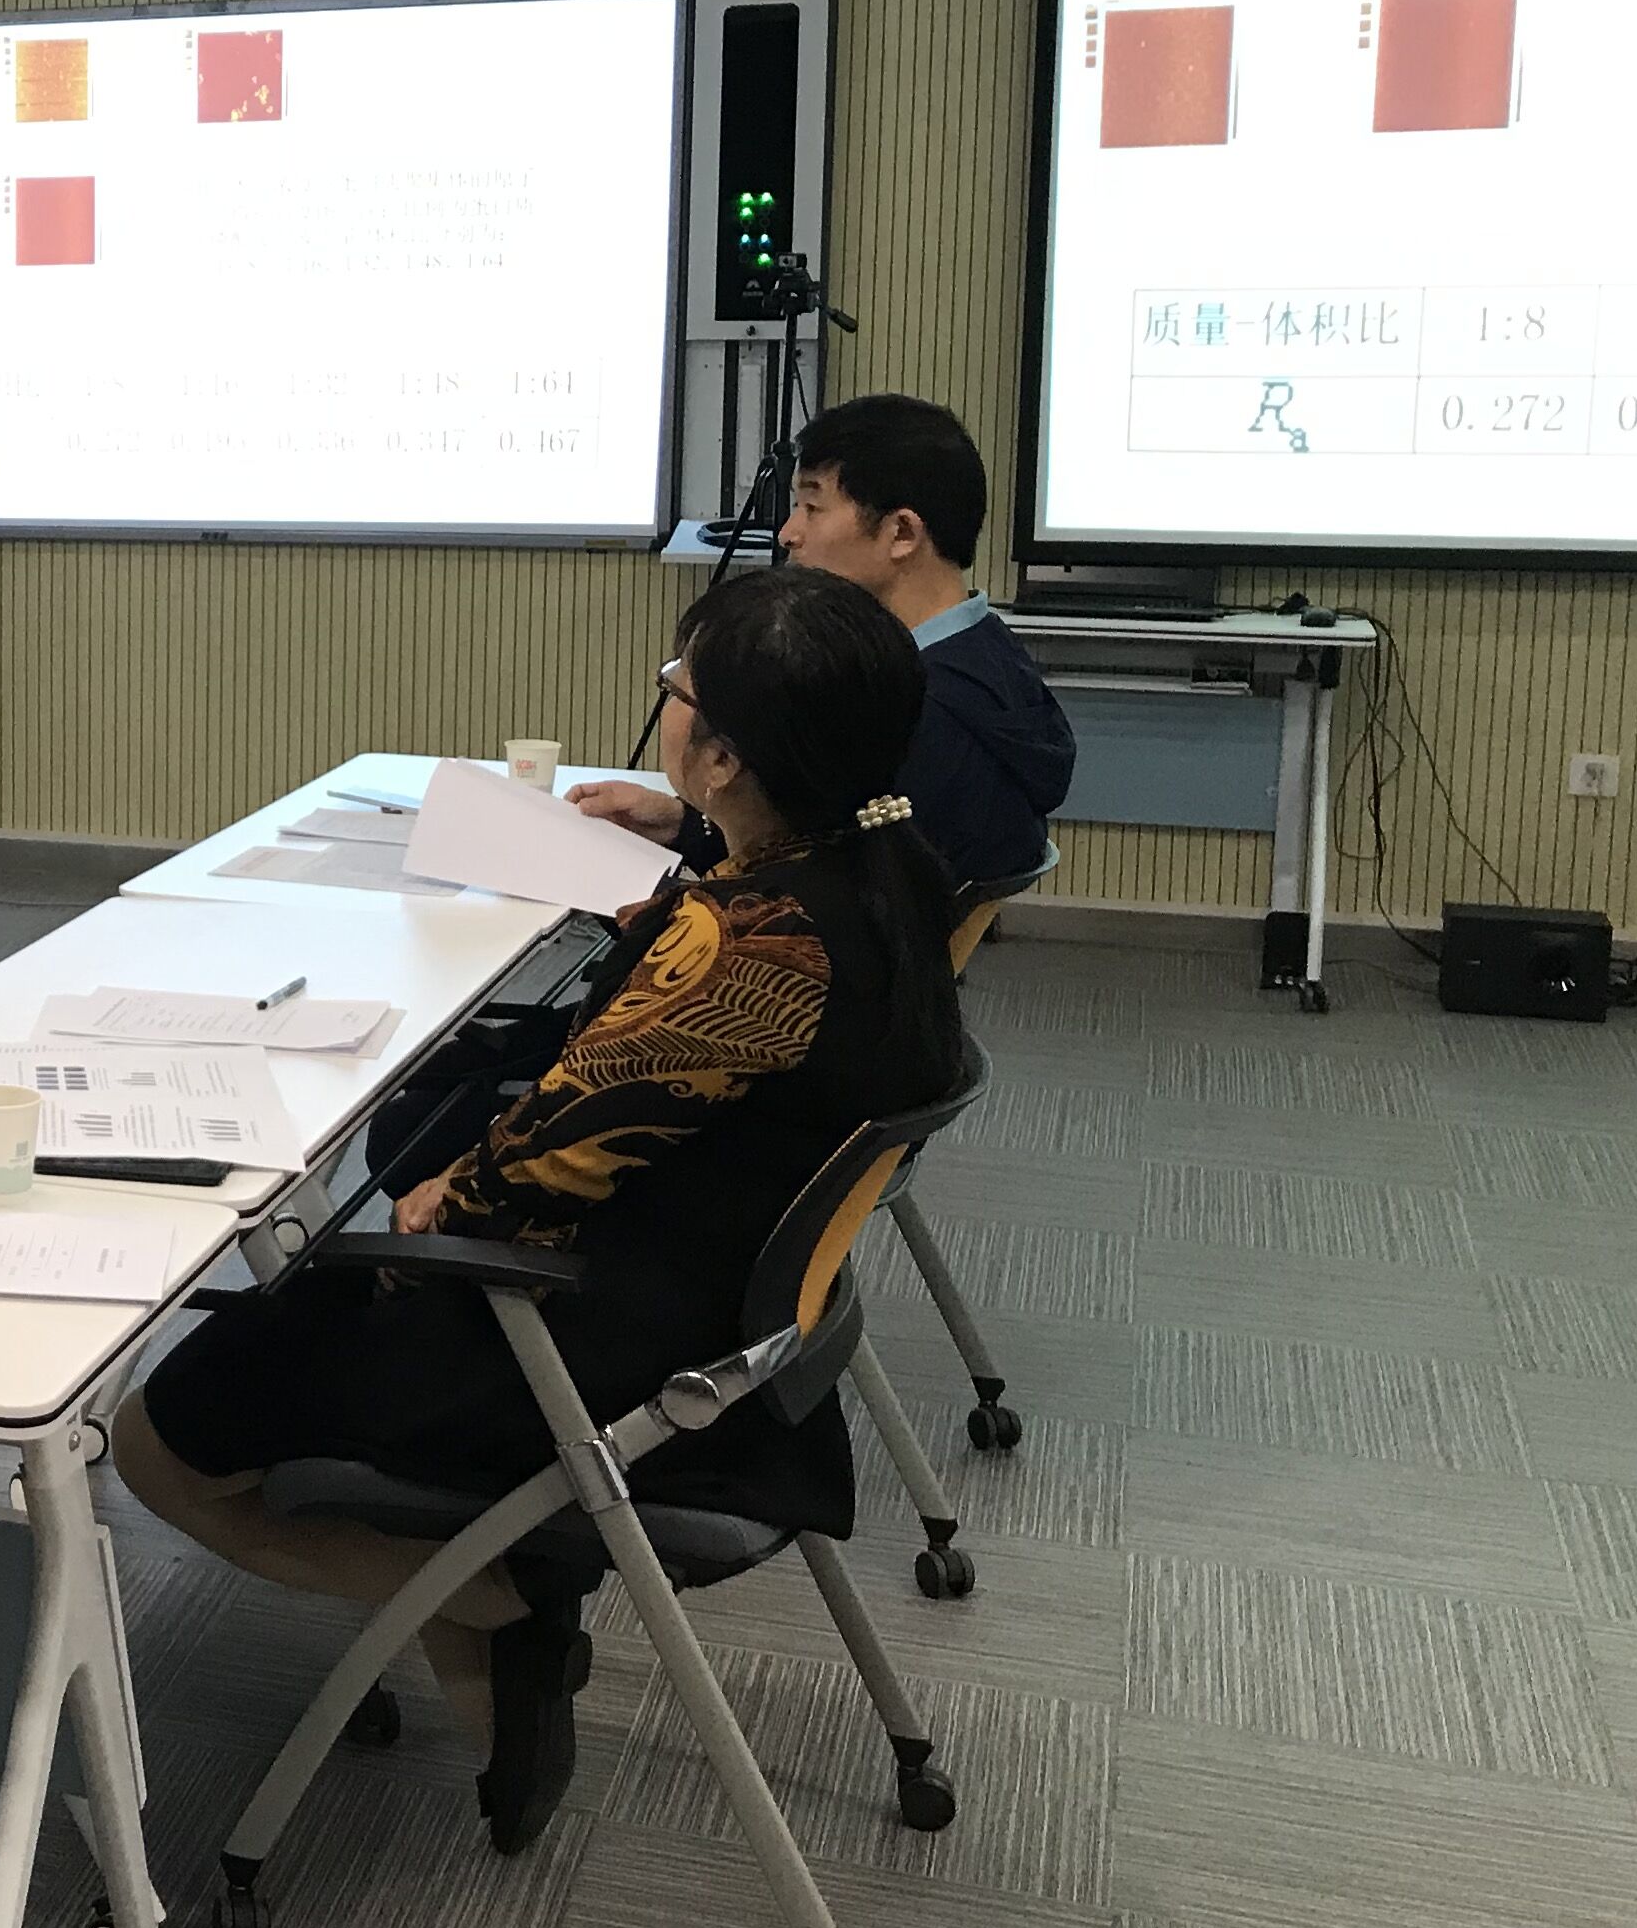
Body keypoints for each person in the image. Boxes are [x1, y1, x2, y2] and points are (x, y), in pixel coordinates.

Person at [113, 567, 965, 1852]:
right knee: (393, 1176)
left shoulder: (743, 947)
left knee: (158, 1437)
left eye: (677, 690)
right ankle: (491, 1645)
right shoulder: (890, 870)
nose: (666, 702)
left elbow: (516, 1184)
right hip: (727, 1315)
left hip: (591, 1343)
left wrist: (421, 1219)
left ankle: (502, 1602)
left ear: (724, 758)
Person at [574, 394, 1074, 893]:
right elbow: (820, 855)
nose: (788, 534)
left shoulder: (915, 711)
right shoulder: (989, 658)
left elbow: (821, 896)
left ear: (901, 532)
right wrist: (683, 826)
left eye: (812, 508)